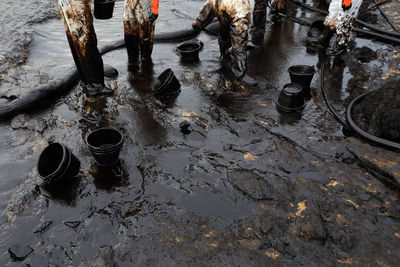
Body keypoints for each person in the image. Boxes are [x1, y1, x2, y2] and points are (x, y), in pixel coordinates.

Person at [58, 0, 159, 96]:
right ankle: (95, 85)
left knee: (77, 37)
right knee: (84, 39)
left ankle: (88, 81)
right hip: (74, 4)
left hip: (69, 4)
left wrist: (155, 9)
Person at [192, 0, 257, 85]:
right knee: (237, 40)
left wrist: (199, 21)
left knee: (232, 36)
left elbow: (210, 5)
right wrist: (199, 21)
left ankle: (237, 69)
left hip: (232, 8)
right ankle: (236, 68)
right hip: (235, 9)